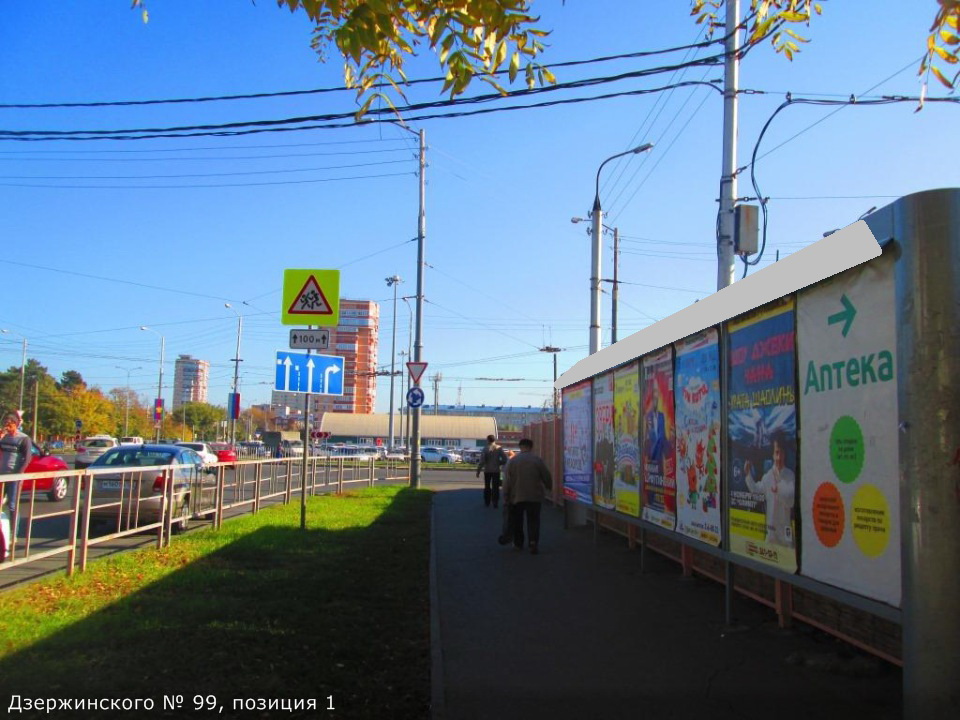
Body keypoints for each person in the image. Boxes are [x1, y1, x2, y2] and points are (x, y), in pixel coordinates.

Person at [744, 432, 796, 547]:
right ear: (772, 454)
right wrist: (748, 475)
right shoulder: (768, 476)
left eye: (782, 453)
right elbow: (756, 490)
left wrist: (778, 489)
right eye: (777, 452)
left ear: (785, 454)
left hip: (785, 535)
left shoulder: (790, 475)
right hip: (771, 535)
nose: (779, 457)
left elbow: (791, 500)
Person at [502, 438, 552, 554]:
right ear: (531, 447)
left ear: (520, 447)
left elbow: (507, 480)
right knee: (533, 520)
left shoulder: (513, 461)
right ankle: (533, 542)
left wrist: (505, 494)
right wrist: (549, 486)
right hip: (534, 496)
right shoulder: (537, 460)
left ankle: (518, 543)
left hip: (516, 496)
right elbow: (546, 476)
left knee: (517, 520)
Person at [0, 411, 32, 555]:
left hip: (14, 476)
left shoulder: (23, 439)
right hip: (1, 475)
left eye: (10, 424)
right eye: (5, 424)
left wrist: (19, 473)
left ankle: (14, 534)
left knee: (12, 505)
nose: (7, 427)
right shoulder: (3, 437)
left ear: (16, 424)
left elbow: (27, 458)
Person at [475, 434, 507, 508]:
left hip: (487, 470)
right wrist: (499, 463)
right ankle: (495, 502)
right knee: (495, 487)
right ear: (494, 440)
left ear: (488, 440)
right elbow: (505, 459)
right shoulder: (499, 448)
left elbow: (482, 461)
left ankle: (487, 501)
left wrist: (478, 471)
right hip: (496, 471)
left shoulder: (485, 448)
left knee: (487, 486)